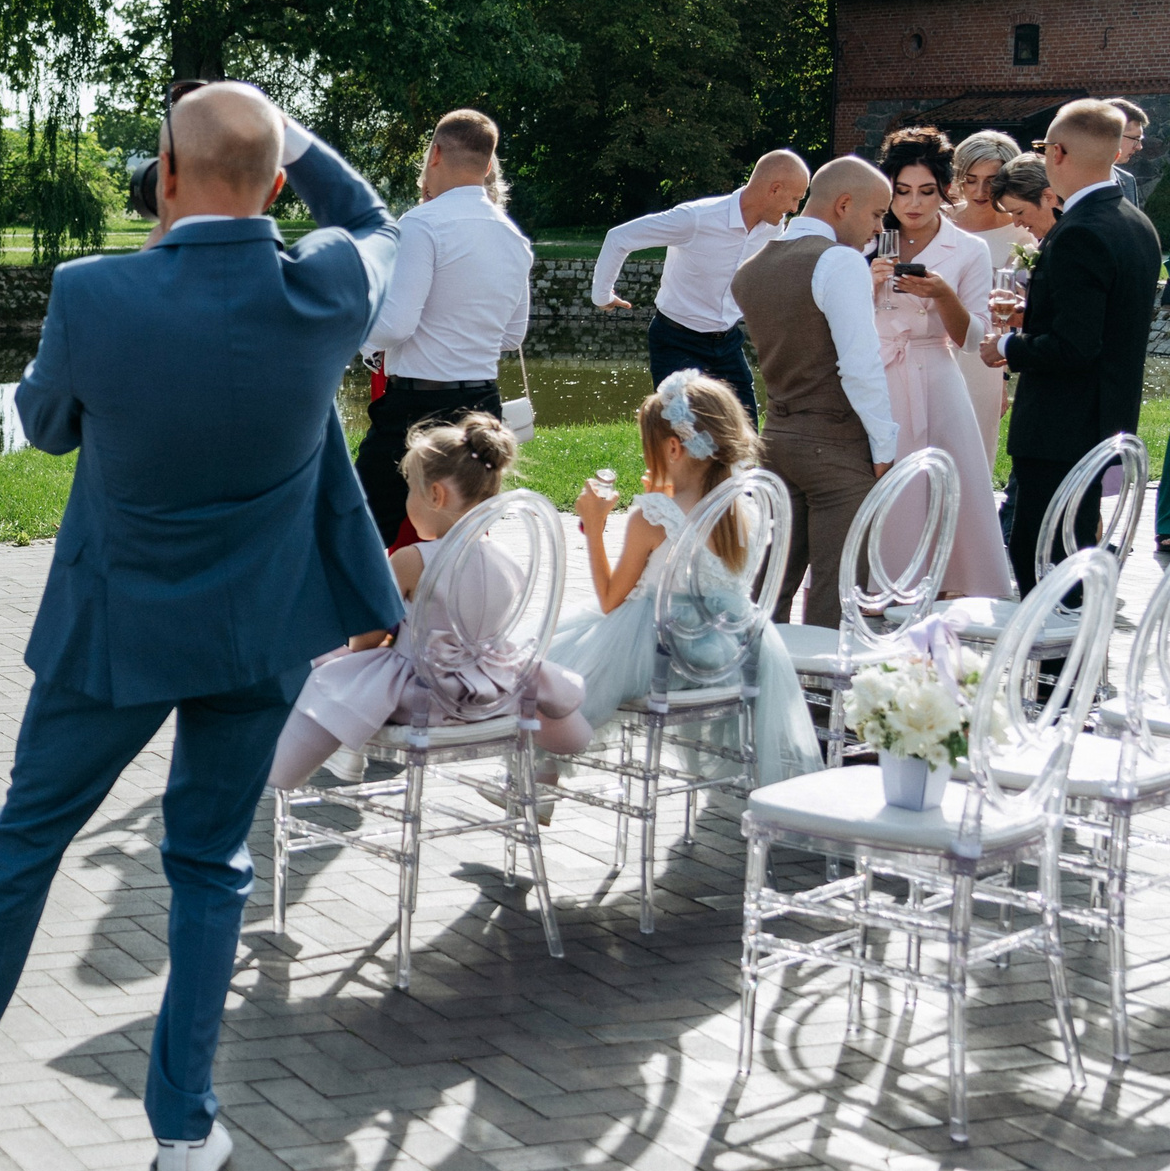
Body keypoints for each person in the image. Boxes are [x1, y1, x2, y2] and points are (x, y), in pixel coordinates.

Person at [0, 82, 400, 1171]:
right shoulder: (324, 289)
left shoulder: (93, 292)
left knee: (28, 835)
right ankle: (182, 1131)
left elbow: (42, 424)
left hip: (114, 629)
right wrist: (289, 134)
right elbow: (373, 222)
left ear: (163, 176)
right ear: (276, 184)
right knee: (210, 865)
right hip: (257, 634)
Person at [270, 413, 590, 793]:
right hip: (489, 693)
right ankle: (566, 739)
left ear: (435, 495)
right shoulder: (507, 560)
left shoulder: (413, 559)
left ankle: (283, 771)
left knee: (330, 673)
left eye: (411, 490)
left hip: (423, 696)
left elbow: (369, 635)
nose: (407, 501)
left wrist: (352, 653)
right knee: (530, 675)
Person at [552, 373, 822, 783]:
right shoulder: (746, 512)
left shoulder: (651, 518)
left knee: (562, 662)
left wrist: (594, 526)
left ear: (673, 448)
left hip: (662, 654)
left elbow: (610, 599)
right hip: (731, 654)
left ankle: (545, 771)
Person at [982, 99, 1165, 592]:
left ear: (1057, 153)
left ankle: (1057, 645)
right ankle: (1077, 639)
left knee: (1040, 558)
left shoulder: (1079, 231)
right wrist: (1032, 315)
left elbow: (1073, 348)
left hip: (1061, 426)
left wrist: (1007, 345)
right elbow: (1106, 324)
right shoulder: (1135, 223)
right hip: (1103, 419)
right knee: (1074, 554)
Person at [731, 157, 897, 627]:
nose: (879, 228)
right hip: (836, 446)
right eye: (876, 214)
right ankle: (820, 680)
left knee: (768, 588)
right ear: (844, 204)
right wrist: (884, 446)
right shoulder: (839, 261)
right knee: (836, 595)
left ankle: (755, 672)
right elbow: (860, 367)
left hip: (776, 441)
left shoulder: (751, 268)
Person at [353, 110, 532, 544]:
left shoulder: (421, 223)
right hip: (482, 406)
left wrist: (360, 340)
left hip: (417, 409)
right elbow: (512, 336)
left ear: (434, 154)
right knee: (463, 536)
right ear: (487, 166)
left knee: (361, 525)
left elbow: (395, 325)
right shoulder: (513, 237)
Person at [871, 131, 1011, 597]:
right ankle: (877, 585)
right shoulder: (867, 240)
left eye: (927, 191)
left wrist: (944, 295)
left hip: (937, 374)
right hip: (878, 373)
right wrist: (866, 282)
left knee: (944, 480)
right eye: (902, 191)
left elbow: (972, 340)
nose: (913, 204)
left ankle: (951, 585)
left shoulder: (968, 249)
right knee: (880, 481)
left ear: (945, 189)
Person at [590, 151, 811, 423]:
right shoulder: (696, 219)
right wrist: (602, 295)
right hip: (676, 341)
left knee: (745, 435)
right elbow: (619, 238)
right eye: (795, 199)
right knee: (682, 435)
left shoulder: (773, 229)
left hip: (728, 343)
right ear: (774, 189)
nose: (794, 208)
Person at [947, 130, 1023, 466]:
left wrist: (1003, 379)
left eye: (991, 181)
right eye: (971, 180)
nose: (979, 191)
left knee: (974, 458)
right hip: (931, 347)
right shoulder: (937, 221)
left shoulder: (1022, 231)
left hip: (984, 360)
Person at [1109, 99, 1152, 204]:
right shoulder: (1072, 180)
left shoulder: (1128, 180)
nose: (1139, 147)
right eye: (1134, 138)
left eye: (1140, 140)